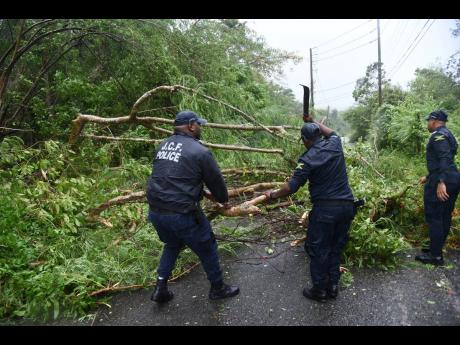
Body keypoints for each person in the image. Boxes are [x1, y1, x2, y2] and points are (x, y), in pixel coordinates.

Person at [146, 110, 239, 303]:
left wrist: (202, 192)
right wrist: (222, 199)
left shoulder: (162, 146)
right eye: (199, 124)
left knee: (172, 244)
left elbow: (172, 177)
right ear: (190, 125)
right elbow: (216, 181)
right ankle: (218, 288)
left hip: (156, 212)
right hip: (182, 214)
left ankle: (160, 288)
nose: (200, 128)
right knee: (208, 247)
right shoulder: (200, 151)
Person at [264, 115, 356, 302]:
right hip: (347, 207)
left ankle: (319, 290)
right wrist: (314, 121)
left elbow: (291, 187)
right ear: (319, 135)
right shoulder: (335, 144)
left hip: (326, 211)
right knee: (335, 248)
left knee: (319, 248)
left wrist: (272, 194)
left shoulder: (306, 159)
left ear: (305, 140)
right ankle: (332, 286)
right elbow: (333, 132)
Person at [416, 110, 460, 266]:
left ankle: (435, 257)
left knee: (435, 217)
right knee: (444, 216)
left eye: (429, 121)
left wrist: (440, 182)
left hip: (444, 181)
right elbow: (447, 158)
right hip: (453, 178)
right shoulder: (448, 134)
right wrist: (428, 176)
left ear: (434, 121)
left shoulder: (437, 136)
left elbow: (444, 158)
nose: (428, 124)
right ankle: (437, 248)